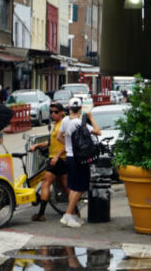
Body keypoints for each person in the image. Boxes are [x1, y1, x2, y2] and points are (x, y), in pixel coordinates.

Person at [57, 97, 101, 228]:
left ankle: (73, 215)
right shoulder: (79, 123)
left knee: (74, 187)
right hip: (79, 159)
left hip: (69, 157)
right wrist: (91, 117)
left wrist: (68, 146)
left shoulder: (66, 121)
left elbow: (59, 137)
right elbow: (98, 131)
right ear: (81, 108)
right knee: (80, 187)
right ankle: (68, 214)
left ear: (69, 108)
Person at [30, 102, 68, 222]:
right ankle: (74, 211)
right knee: (65, 186)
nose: (53, 114)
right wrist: (37, 145)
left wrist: (56, 157)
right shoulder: (56, 125)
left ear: (62, 112)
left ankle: (41, 214)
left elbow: (68, 144)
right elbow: (50, 143)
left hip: (58, 159)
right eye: (51, 112)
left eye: (56, 112)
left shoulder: (64, 124)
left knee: (46, 183)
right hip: (58, 159)